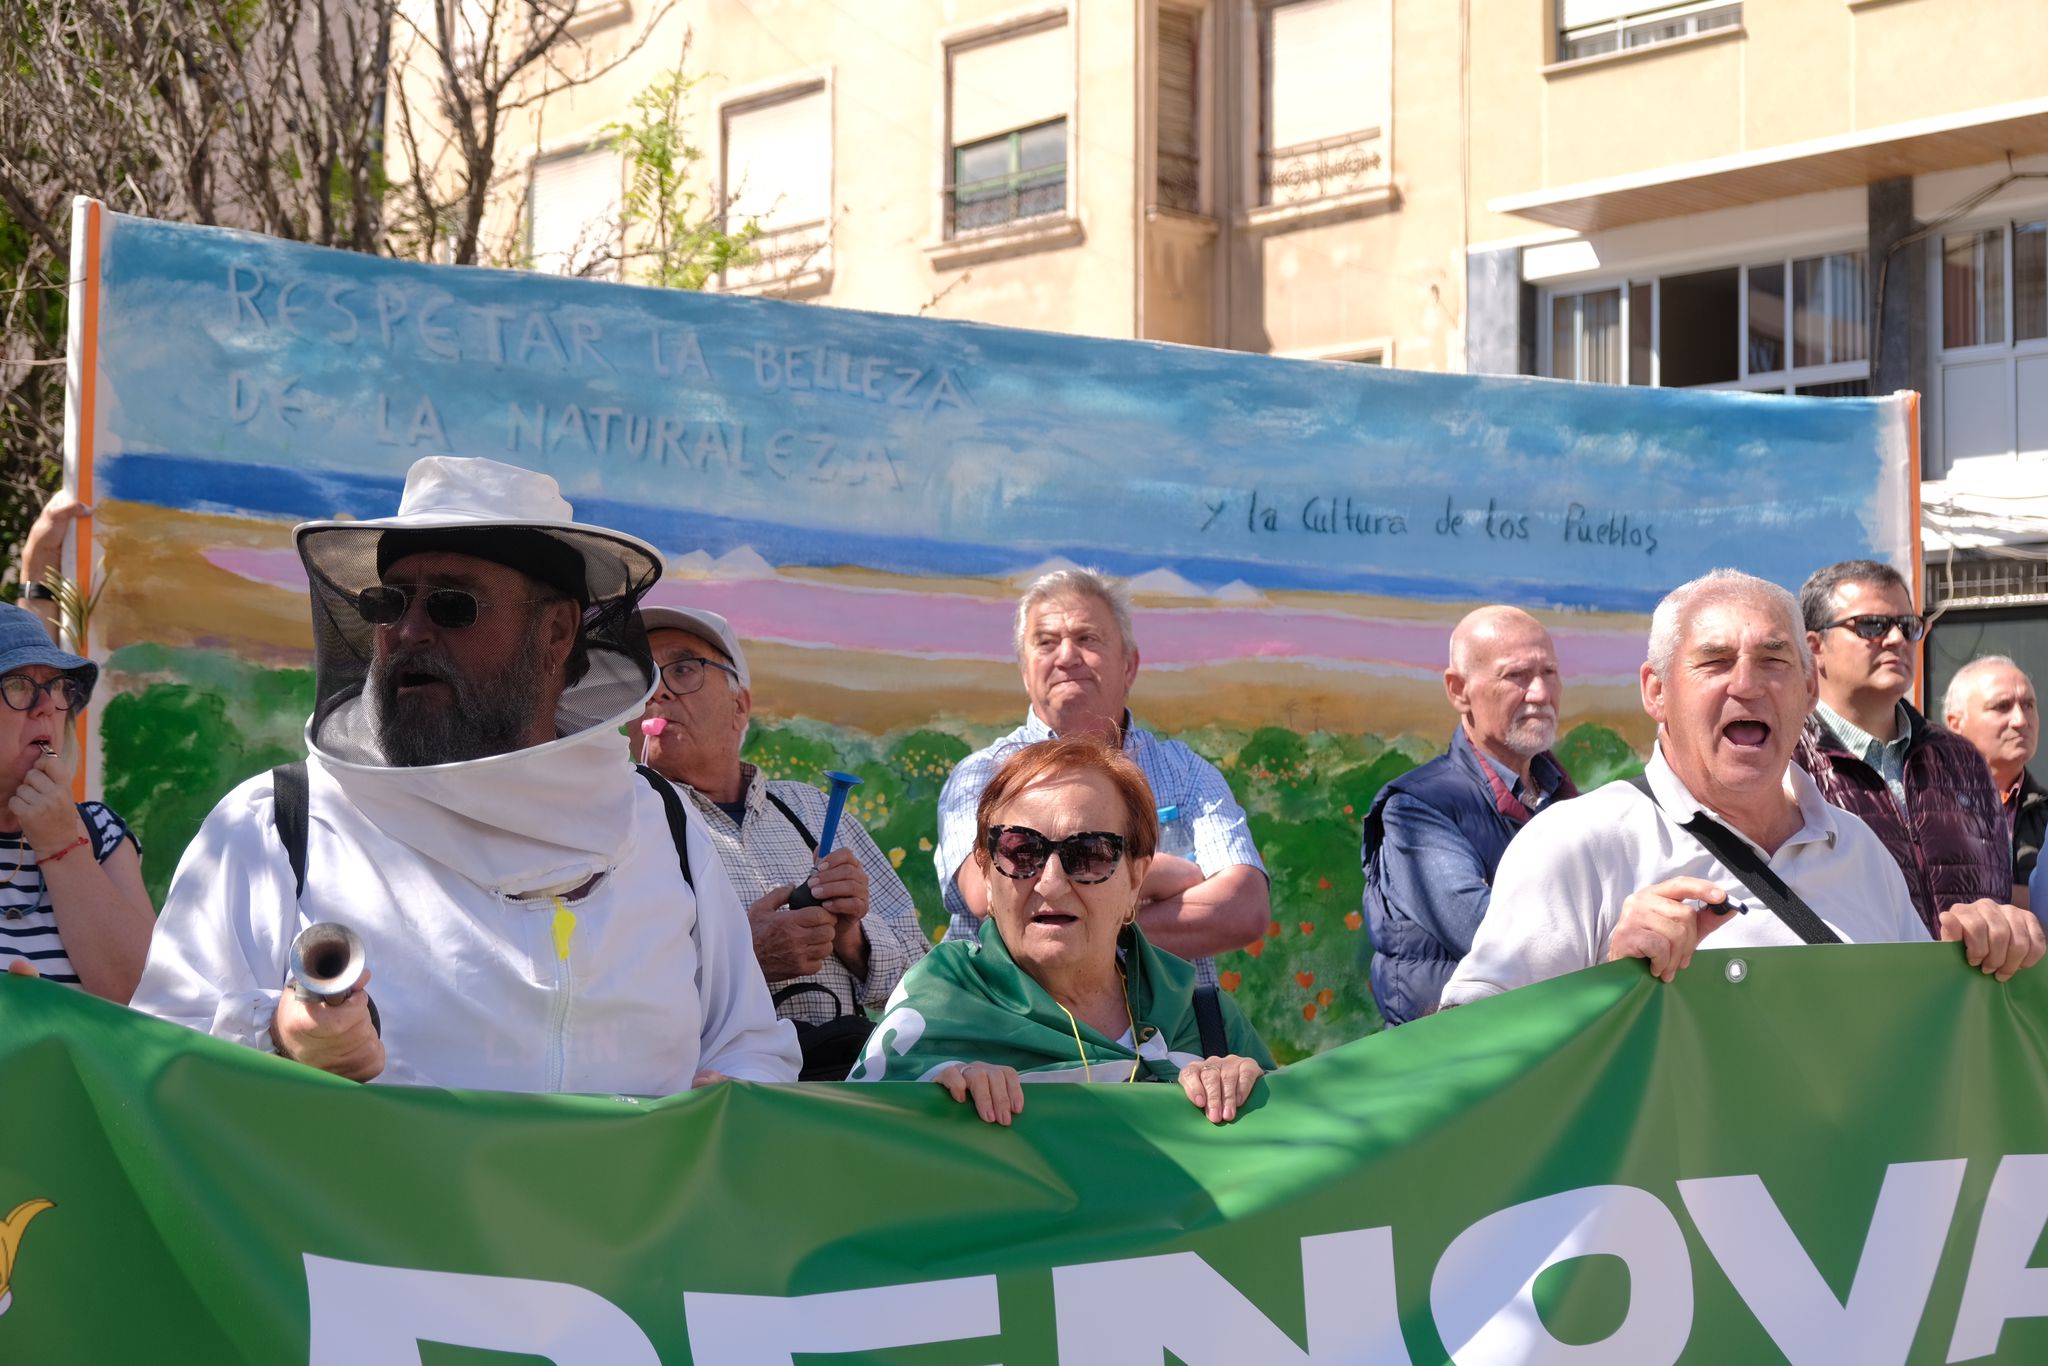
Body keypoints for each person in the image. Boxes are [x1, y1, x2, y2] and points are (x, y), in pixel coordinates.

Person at [131, 457, 799, 1092]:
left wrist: (727, 1095)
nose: (409, 630)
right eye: (389, 603)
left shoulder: (662, 822)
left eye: (453, 604)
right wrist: (279, 1036)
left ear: (558, 633)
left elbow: (748, 1041)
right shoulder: (277, 825)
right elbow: (159, 1064)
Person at [1441, 570, 2043, 1007]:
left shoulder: (1858, 852)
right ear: (1655, 692)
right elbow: (1468, 1050)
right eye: (1714, 661)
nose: (1748, 684)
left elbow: (1920, 1035)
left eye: (1775, 661)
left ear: (1808, 693)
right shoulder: (1580, 844)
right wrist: (1604, 982)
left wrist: (1989, 956)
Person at [853, 736, 1273, 1124]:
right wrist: (927, 1100)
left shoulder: (1204, 1020)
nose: (1051, 882)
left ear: (1135, 880)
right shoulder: (938, 1007)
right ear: (985, 872)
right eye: (1021, 851)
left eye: (1089, 853)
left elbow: (1295, 1168)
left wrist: (1258, 1097)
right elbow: (853, 1142)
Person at [934, 569, 1267, 987]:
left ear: (1129, 665)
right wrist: (1171, 875)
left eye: (1087, 639)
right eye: (1046, 642)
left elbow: (1244, 909)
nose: (1067, 656)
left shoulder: (1187, 776)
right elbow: (988, 896)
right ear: (1025, 671)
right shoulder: (983, 776)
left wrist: (1075, 926)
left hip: (1172, 1042)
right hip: (1015, 1038)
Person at [635, 605, 927, 1079]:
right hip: (714, 1098)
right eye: (642, 677)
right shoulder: (621, 822)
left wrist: (853, 940)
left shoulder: (812, 811)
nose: (659, 690)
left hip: (841, 1084)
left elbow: (921, 980)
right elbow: (592, 989)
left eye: (684, 669)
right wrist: (744, 960)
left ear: (740, 708)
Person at [1360, 605, 1575, 1024]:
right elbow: (1491, 937)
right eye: (1516, 676)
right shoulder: (1417, 809)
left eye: (1549, 673)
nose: (1540, 694)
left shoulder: (1564, 799)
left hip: (1546, 1053)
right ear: (1459, 690)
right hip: (1452, 1064)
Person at [1792, 559, 2009, 933]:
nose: (1896, 639)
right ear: (1815, 648)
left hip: (1961, 987)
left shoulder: (1960, 757)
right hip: (1856, 987)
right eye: (1872, 626)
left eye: (1907, 626)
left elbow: (1997, 893)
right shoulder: (1788, 759)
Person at [0, 604, 154, 1002]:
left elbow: (148, 998)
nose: (47, 706)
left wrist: (61, 843)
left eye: (55, 686)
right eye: (18, 684)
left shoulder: (100, 832)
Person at [1942, 655, 2043, 903]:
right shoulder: (1923, 804)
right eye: (2002, 706)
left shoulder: (2044, 813)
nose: (2021, 720)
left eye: (2029, 705)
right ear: (1956, 723)